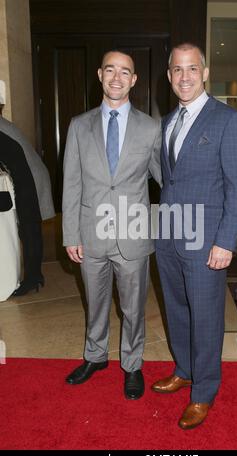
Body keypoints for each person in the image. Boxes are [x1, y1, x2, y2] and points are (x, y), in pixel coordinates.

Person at [151, 43, 237, 429]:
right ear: (170, 76)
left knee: (206, 316)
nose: (185, 76)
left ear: (205, 73)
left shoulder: (228, 120)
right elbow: (169, 180)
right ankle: (185, 369)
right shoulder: (167, 122)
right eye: (177, 69)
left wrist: (225, 241)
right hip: (171, 237)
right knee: (176, 309)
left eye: (192, 68)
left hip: (208, 240)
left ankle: (204, 391)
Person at [63, 50, 162, 399]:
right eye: (110, 70)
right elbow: (71, 183)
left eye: (125, 72)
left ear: (134, 80)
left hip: (133, 234)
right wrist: (71, 234)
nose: (117, 78)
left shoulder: (151, 128)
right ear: (100, 75)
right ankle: (96, 356)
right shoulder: (78, 125)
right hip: (90, 233)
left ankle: (132, 364)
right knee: (96, 301)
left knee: (134, 307)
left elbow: (167, 180)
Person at [0, 118, 55, 296]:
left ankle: (33, 278)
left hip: (29, 176)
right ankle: (35, 276)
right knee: (29, 229)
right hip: (28, 173)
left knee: (30, 229)